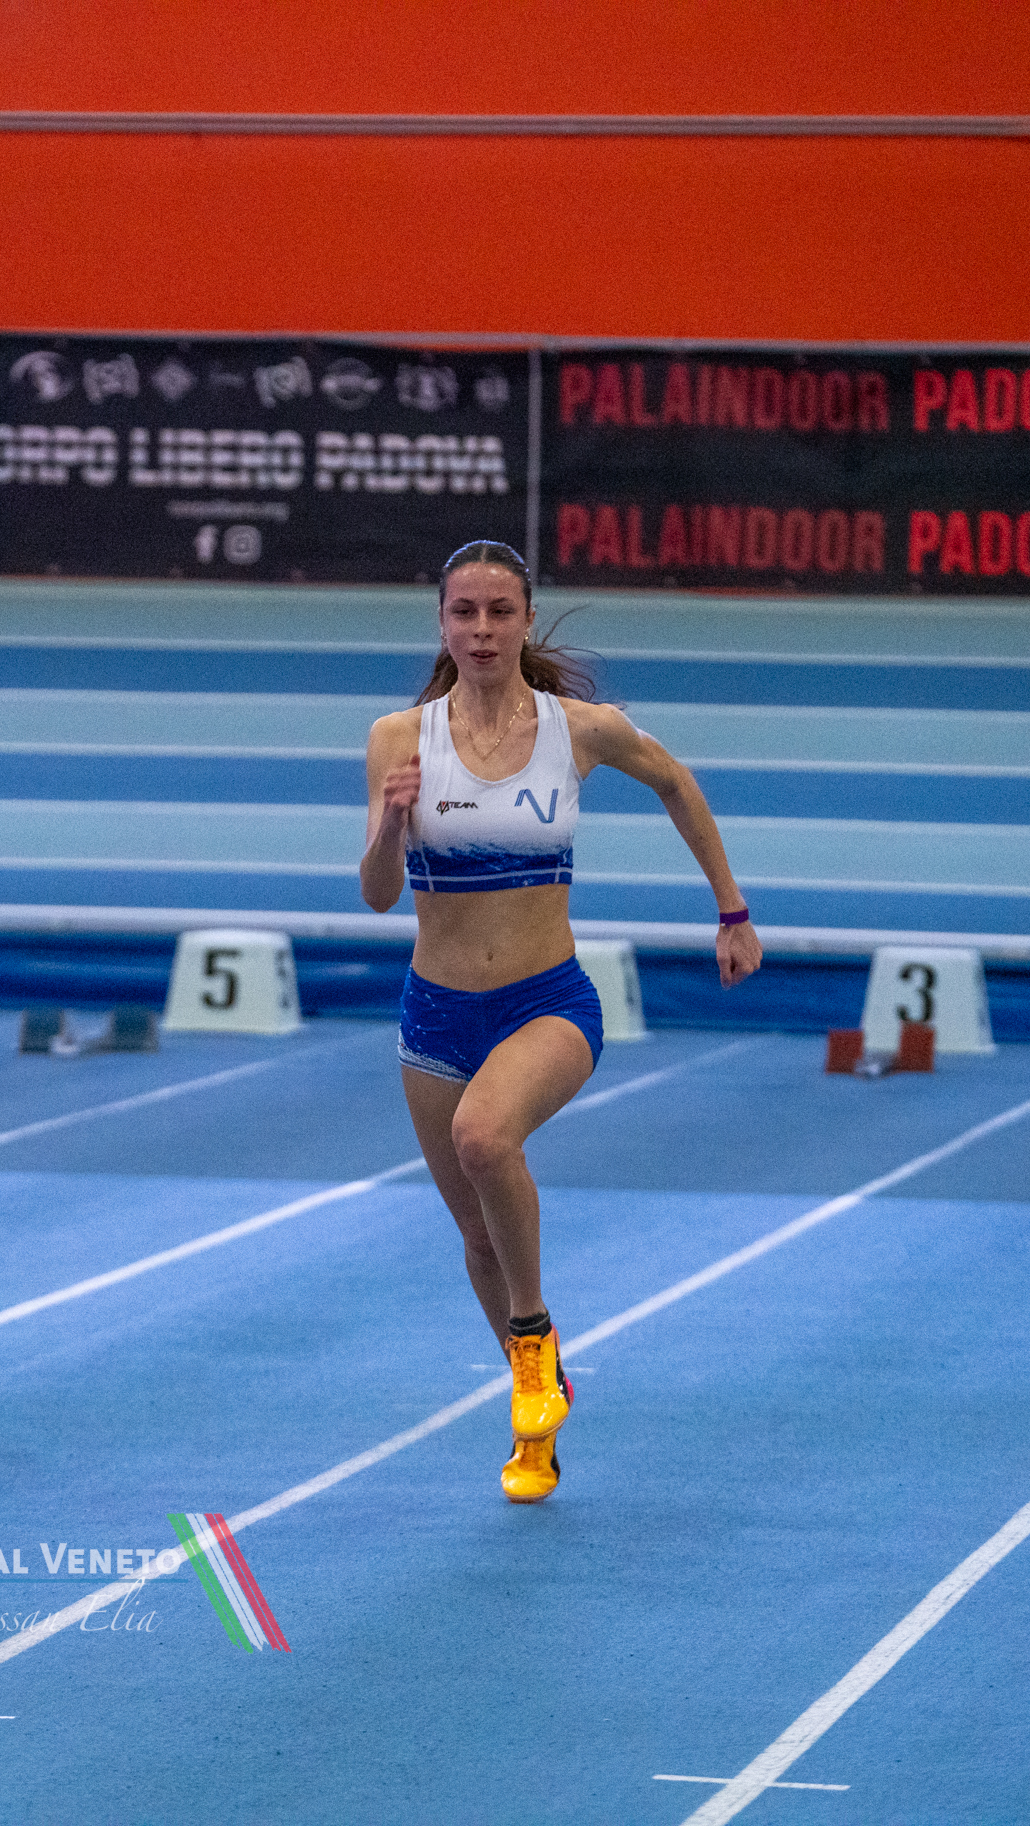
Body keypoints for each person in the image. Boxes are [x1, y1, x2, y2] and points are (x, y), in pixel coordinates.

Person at [359, 541, 760, 1503]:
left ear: (527, 621)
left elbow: (675, 781)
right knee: (477, 1238)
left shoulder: (579, 729)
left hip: (547, 1003)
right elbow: (376, 894)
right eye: (465, 612)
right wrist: (389, 824)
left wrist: (731, 909)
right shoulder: (399, 738)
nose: (482, 630)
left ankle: (533, 1338)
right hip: (435, 1014)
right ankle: (535, 1422)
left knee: (485, 1138)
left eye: (500, 612)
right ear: (442, 623)